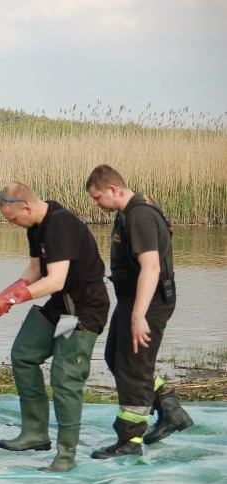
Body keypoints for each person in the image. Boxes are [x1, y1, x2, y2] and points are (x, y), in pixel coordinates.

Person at [0, 182, 109, 472]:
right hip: (61, 308)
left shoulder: (60, 226)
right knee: (24, 354)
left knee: (65, 378)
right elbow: (36, 271)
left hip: (82, 311)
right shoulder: (35, 226)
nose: (12, 224)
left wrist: (13, 298)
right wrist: (4, 296)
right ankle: (35, 433)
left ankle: (66, 455)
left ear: (26, 207)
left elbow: (56, 280)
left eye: (13, 219)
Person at [85, 164, 193, 458]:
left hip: (148, 302)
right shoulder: (127, 212)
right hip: (133, 299)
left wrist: (138, 315)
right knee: (115, 358)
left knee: (133, 368)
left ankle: (129, 442)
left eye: (97, 198)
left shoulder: (139, 215)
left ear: (113, 189)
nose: (96, 205)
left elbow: (152, 267)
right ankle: (170, 408)